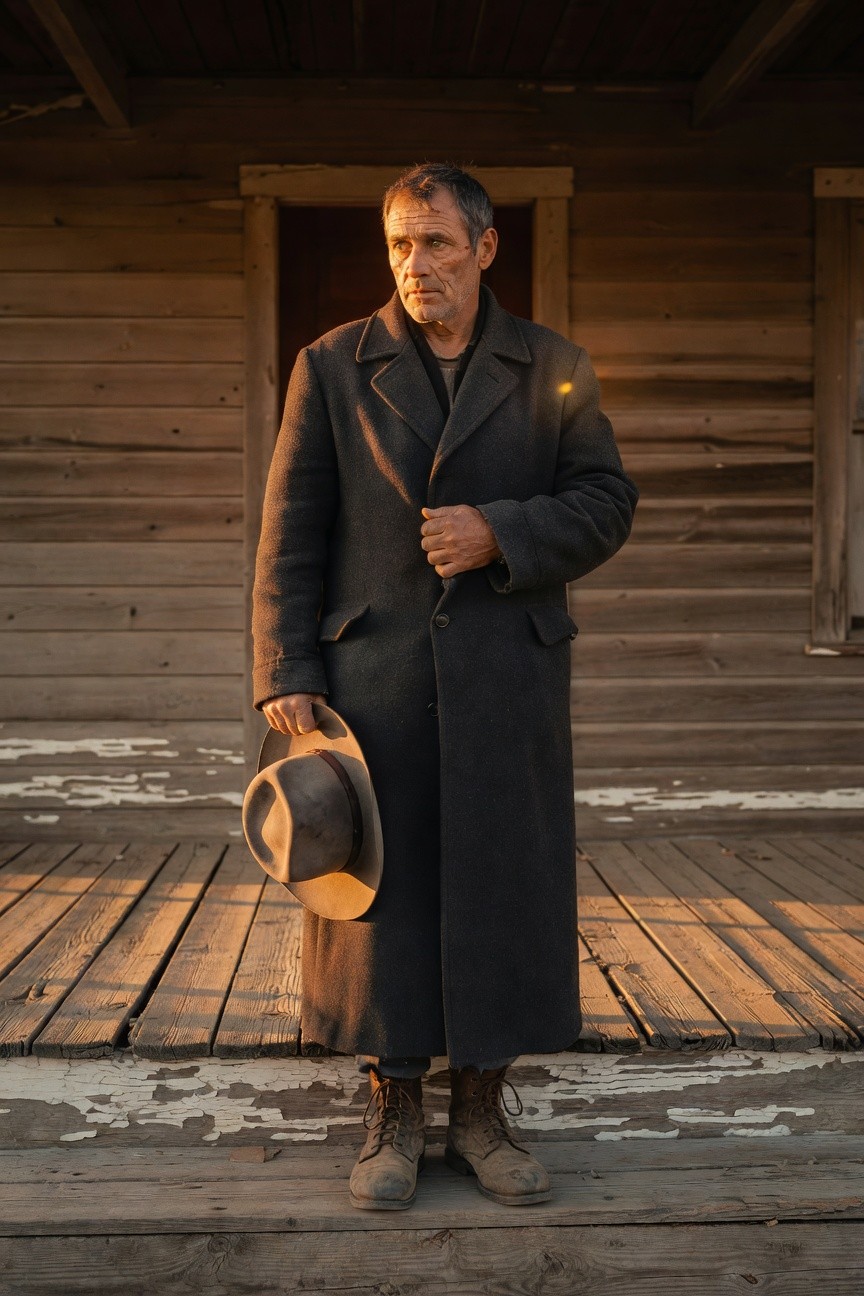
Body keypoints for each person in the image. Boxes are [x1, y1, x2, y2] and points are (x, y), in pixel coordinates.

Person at [251, 162, 638, 1210]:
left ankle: (479, 1110)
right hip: (372, 679)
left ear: (484, 247)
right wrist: (286, 665)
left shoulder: (553, 365)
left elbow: (607, 501)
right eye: (399, 245)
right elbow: (291, 531)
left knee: (497, 884)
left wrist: (500, 532)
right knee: (383, 895)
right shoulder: (331, 366)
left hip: (507, 678)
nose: (415, 264)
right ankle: (391, 1109)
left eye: (436, 242)